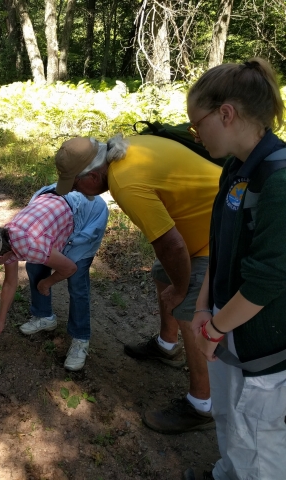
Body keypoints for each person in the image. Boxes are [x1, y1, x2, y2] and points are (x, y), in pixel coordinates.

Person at [53, 133, 221, 434]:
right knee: (162, 273)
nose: (77, 191)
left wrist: (181, 289)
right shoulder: (126, 148)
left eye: (77, 184)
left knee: (188, 310)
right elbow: (168, 247)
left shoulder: (124, 182)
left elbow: (172, 246)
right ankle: (167, 346)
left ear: (92, 176)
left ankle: (202, 405)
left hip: (219, 235)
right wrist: (173, 278)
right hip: (197, 226)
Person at [184, 58, 286, 480]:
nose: (196, 134)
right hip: (228, 327)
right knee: (229, 418)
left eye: (196, 124)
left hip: (264, 344)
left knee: (259, 438)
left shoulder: (279, 180)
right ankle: (226, 472)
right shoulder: (234, 169)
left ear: (226, 113)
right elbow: (221, 245)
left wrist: (213, 329)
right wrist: (204, 309)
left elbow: (269, 276)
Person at [0, 184, 108, 371]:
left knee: (77, 281)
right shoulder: (5, 241)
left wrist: (47, 283)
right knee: (35, 264)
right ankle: (45, 317)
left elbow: (69, 268)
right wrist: (0, 319)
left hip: (88, 211)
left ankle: (80, 339)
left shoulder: (29, 245)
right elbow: (10, 283)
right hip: (59, 207)